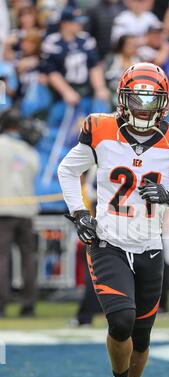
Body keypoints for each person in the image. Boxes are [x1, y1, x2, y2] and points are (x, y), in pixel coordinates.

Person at [58, 62, 169, 377]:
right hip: (109, 240)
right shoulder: (100, 128)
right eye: (135, 97)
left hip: (151, 245)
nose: (142, 105)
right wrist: (79, 213)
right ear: (122, 98)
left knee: (141, 337)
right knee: (120, 320)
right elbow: (67, 171)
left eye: (149, 98)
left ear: (163, 102)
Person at [0, 108, 39, 318]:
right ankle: (29, 304)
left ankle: (1, 304)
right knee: (27, 258)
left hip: (3, 207)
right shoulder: (28, 150)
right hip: (26, 208)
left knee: (1, 257)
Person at [40, 7, 109, 106]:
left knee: (101, 108)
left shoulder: (86, 39)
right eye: (76, 22)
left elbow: (94, 65)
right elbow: (51, 71)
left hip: (86, 90)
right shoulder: (52, 42)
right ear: (65, 24)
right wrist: (66, 91)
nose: (80, 25)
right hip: (61, 94)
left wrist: (100, 88)